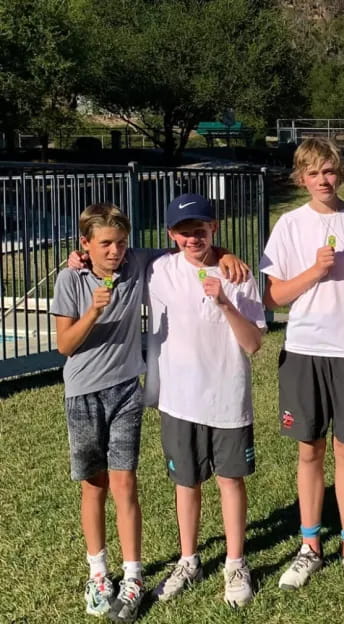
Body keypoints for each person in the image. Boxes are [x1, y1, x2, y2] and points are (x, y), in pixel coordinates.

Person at [261, 138, 344, 590]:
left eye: (330, 171)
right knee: (309, 449)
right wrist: (313, 273)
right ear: (301, 178)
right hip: (304, 349)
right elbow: (272, 296)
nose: (323, 180)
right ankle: (310, 544)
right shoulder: (290, 224)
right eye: (313, 173)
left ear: (341, 174)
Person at [147, 193, 266, 609]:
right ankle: (188, 560)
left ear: (214, 227)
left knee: (230, 481)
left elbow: (253, 344)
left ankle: (235, 563)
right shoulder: (159, 269)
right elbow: (111, 254)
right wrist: (78, 259)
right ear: (170, 235)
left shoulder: (239, 275)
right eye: (183, 231)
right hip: (179, 400)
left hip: (228, 397)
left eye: (200, 228)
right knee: (186, 483)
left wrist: (225, 301)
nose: (192, 238)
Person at [52, 204, 156, 622]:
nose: (115, 251)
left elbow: (188, 246)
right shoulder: (69, 278)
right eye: (105, 244)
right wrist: (93, 310)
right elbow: (65, 346)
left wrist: (222, 252)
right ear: (85, 245)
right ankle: (98, 572)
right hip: (82, 394)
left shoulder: (137, 262)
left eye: (121, 242)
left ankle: (133, 575)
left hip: (127, 389)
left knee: (124, 482)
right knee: (93, 486)